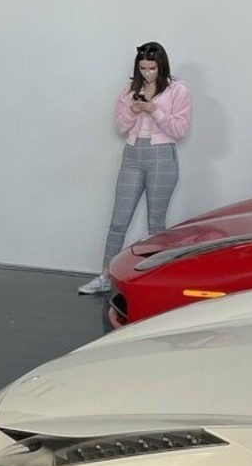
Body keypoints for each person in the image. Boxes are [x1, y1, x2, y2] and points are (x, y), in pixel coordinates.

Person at [78, 41, 192, 295]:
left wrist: (155, 110)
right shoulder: (131, 89)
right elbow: (121, 127)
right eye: (143, 68)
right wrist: (132, 109)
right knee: (118, 221)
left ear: (161, 66)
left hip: (162, 156)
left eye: (152, 68)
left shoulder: (177, 89)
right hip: (132, 155)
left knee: (156, 223)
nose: (147, 73)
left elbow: (180, 130)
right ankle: (105, 276)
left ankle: (155, 279)